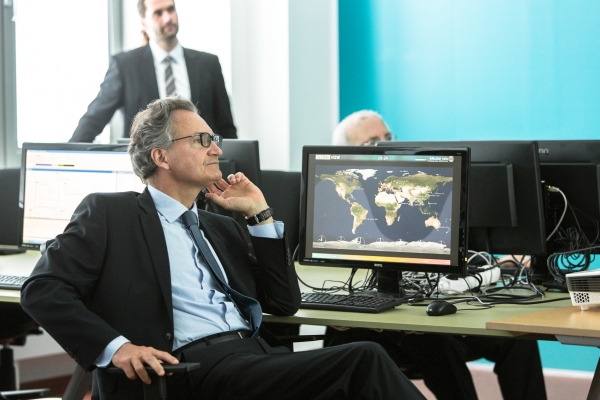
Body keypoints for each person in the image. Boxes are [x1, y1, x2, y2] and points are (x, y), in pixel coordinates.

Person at [21, 97, 425, 400]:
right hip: (188, 370)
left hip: (254, 358)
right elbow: (42, 289)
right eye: (202, 140)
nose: (216, 149)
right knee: (364, 359)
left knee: (360, 366)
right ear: (161, 156)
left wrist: (260, 215)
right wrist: (117, 349)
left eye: (214, 140)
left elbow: (283, 303)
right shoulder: (111, 214)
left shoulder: (220, 226)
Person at [325, 110, 547, 400]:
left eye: (388, 138)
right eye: (372, 143)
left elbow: (458, 253)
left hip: (429, 309)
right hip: (380, 331)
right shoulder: (344, 206)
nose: (385, 146)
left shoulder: (418, 190)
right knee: (436, 339)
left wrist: (493, 265)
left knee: (517, 338)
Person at [69, 0, 236, 143]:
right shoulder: (125, 66)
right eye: (158, 13)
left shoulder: (208, 64)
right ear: (144, 22)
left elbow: (226, 127)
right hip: (146, 165)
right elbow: (94, 120)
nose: (168, 18)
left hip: (200, 163)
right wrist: (67, 158)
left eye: (171, 9)